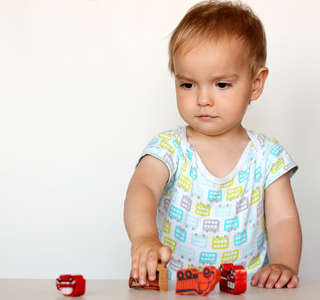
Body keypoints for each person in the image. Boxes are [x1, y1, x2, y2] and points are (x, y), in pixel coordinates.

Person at [124, 0, 302, 289]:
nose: (202, 100)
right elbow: (141, 188)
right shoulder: (169, 148)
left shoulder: (268, 157)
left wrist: (283, 264)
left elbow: (283, 220)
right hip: (176, 291)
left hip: (245, 292)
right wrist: (144, 236)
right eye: (187, 84)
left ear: (255, 84)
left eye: (221, 85)